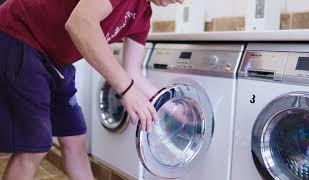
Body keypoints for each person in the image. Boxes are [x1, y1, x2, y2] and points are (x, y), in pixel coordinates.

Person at [0, 0, 183, 179]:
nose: (181, 1)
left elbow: (133, 72)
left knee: (75, 140)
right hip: (21, 35)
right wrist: (126, 89)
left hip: (56, 60)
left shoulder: (143, 16)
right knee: (34, 146)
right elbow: (80, 23)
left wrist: (173, 106)